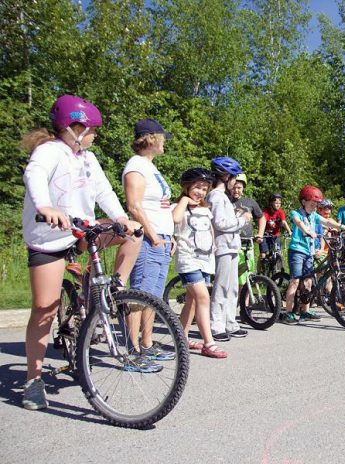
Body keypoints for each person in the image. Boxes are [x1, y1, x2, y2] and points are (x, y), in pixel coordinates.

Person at [21, 95, 141, 409]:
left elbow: (103, 190)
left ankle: (106, 290)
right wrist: (45, 206)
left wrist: (120, 217)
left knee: (132, 235)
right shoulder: (49, 152)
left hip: (80, 231)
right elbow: (33, 176)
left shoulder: (87, 158)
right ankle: (33, 380)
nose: (95, 135)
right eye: (91, 130)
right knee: (45, 309)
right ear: (73, 127)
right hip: (49, 238)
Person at [123, 118, 176, 368]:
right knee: (140, 295)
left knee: (153, 296)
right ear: (152, 139)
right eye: (162, 137)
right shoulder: (136, 166)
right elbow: (134, 206)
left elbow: (157, 204)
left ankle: (147, 344)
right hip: (147, 240)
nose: (165, 142)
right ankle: (132, 351)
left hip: (162, 239)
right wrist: (154, 236)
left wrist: (169, 236)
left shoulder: (150, 168)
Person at [171, 168, 227, 359]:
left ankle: (182, 337)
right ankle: (209, 343)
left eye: (204, 188)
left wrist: (213, 247)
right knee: (203, 297)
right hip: (188, 259)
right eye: (197, 187)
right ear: (186, 187)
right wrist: (185, 201)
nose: (200, 192)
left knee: (192, 300)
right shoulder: (178, 206)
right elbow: (175, 219)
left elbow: (210, 229)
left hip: (205, 258)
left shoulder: (205, 208)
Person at [282, 186, 345, 322]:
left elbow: (327, 222)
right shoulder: (295, 213)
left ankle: (305, 311)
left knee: (308, 282)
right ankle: (288, 312)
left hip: (309, 252)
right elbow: (298, 223)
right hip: (297, 251)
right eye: (312, 204)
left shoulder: (314, 216)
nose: (315, 207)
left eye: (316, 205)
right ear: (303, 202)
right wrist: (307, 231)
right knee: (295, 281)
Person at [208, 157, 252, 341]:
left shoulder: (223, 197)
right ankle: (216, 325)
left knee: (232, 287)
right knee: (222, 286)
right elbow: (220, 222)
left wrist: (237, 217)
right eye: (234, 177)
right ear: (226, 176)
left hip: (232, 246)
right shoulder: (216, 196)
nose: (235, 183)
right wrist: (242, 220)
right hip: (223, 246)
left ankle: (229, 322)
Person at [258, 192, 291, 262]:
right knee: (263, 255)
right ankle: (259, 271)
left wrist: (289, 231)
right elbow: (262, 222)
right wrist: (260, 235)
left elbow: (284, 222)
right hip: (265, 236)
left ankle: (277, 269)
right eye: (276, 203)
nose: (278, 204)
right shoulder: (266, 212)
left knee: (278, 253)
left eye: (279, 203)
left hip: (275, 236)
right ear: (271, 203)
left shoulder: (280, 212)